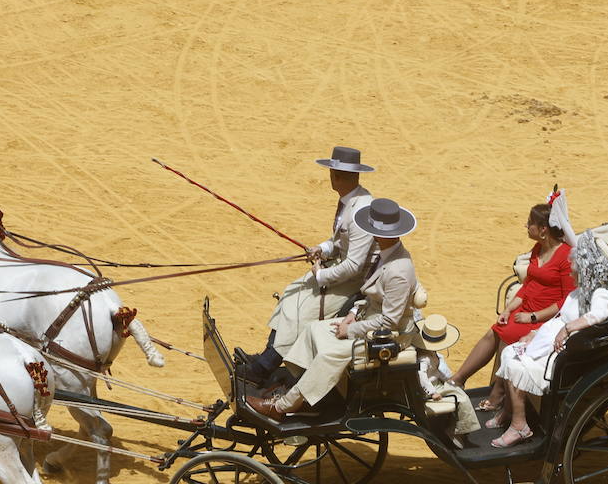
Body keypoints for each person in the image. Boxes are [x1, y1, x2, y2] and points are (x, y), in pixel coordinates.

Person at [247, 198, 418, 419]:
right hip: (368, 321)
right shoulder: (386, 255)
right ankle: (299, 389)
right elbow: (371, 297)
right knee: (313, 330)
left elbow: (389, 322)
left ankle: (282, 407)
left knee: (330, 354)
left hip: (386, 337)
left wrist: (351, 330)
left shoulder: (399, 271)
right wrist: (352, 314)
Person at [237, 146, 376, 384]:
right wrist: (322, 248)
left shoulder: (360, 210)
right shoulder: (350, 201)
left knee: (301, 311)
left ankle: (263, 369)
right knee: (292, 294)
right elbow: (339, 242)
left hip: (354, 282)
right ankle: (266, 356)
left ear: (337, 175)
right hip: (340, 270)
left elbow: (354, 265)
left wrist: (322, 276)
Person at [448, 191, 577, 408]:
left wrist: (533, 316)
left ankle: (498, 395)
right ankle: (458, 378)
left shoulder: (565, 256)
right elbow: (528, 286)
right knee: (494, 330)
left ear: (543, 230)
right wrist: (509, 309)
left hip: (546, 317)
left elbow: (566, 301)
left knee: (507, 334)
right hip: (527, 310)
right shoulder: (538, 248)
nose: (527, 227)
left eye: (530, 224)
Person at [488, 230, 608, 447]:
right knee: (510, 353)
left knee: (517, 366)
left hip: (561, 353)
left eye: (575, 271)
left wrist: (567, 328)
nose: (571, 274)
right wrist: (535, 333)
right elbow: (559, 316)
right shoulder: (579, 291)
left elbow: (598, 314)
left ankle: (520, 427)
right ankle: (510, 412)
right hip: (546, 343)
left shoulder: (600, 293)